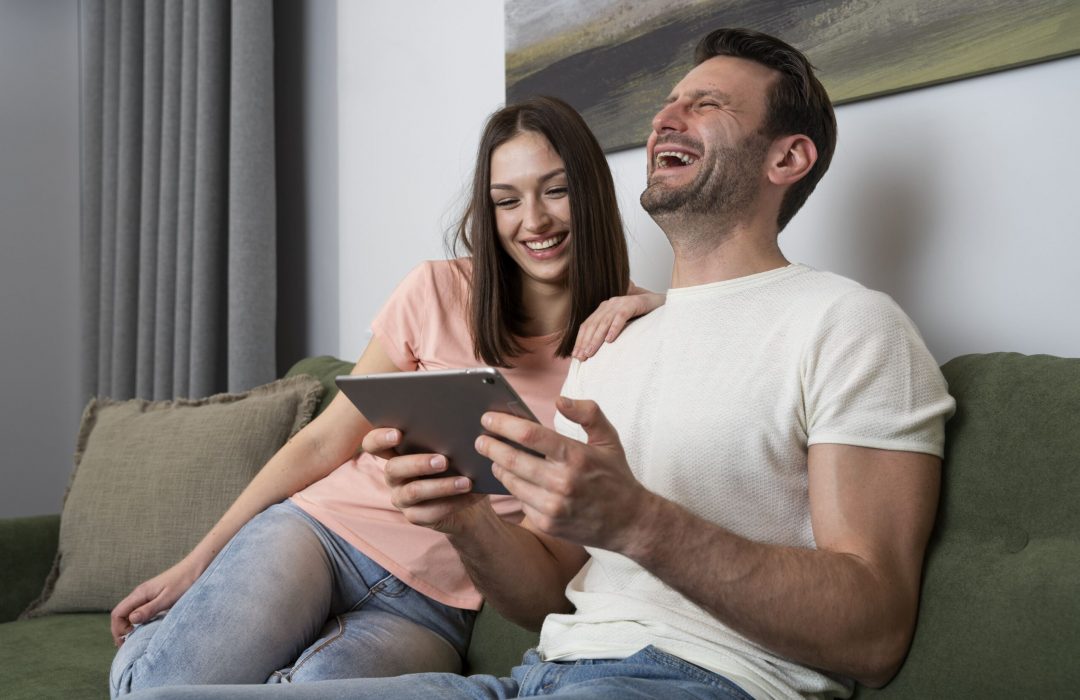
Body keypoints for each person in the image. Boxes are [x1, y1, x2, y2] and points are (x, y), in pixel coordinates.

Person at [129, 27, 956, 700]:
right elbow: (550, 596)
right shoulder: (614, 343)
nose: (667, 117)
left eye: (704, 105)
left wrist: (636, 519)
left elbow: (876, 634)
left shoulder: (850, 325)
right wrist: (462, 518)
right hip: (534, 676)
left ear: (788, 159)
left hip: (689, 680)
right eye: (667, 104)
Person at [109, 95, 664, 697]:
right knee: (162, 686)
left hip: (432, 607)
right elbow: (323, 439)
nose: (533, 221)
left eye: (555, 191)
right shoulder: (436, 288)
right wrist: (197, 564)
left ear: (592, 193)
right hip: (320, 535)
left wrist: (667, 308)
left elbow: (550, 564)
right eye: (507, 200)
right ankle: (159, 648)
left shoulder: (629, 343)